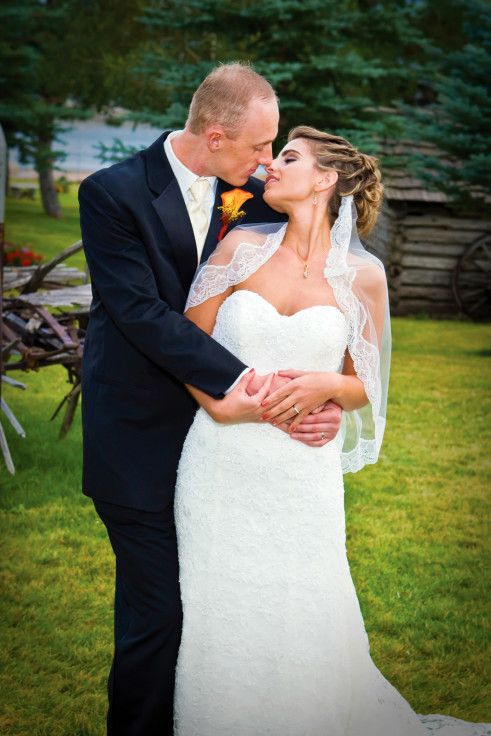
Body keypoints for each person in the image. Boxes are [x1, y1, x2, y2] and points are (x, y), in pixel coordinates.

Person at [173, 126, 491, 736]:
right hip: (220, 461)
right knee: (219, 606)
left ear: (325, 181)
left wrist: (327, 389)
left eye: (287, 158)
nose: (270, 166)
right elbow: (183, 344)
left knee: (302, 604)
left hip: (301, 470)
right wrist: (217, 406)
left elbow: (363, 383)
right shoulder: (237, 248)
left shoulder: (362, 277)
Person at [78, 65, 342, 736]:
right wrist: (245, 386)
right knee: (158, 614)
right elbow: (140, 313)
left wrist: (325, 388)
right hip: (137, 438)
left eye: (274, 149)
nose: (266, 163)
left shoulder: (255, 194)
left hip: (233, 457)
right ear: (215, 136)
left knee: (225, 607)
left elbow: (310, 285)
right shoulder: (112, 194)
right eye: (259, 148)